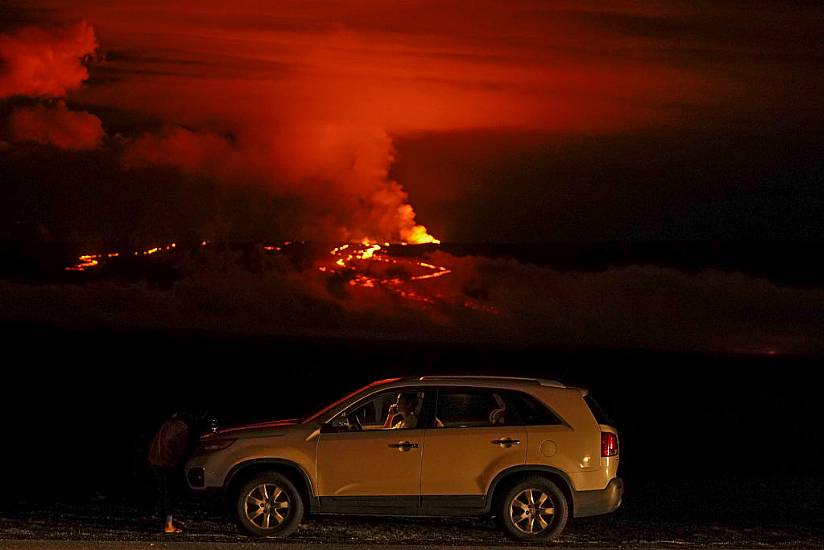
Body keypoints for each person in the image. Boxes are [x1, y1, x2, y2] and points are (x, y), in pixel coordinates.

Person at [148, 410, 204, 534]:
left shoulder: (168, 423)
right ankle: (168, 524)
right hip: (167, 462)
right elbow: (181, 447)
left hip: (155, 459)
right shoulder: (181, 427)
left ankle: (164, 520)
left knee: (162, 492)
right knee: (169, 493)